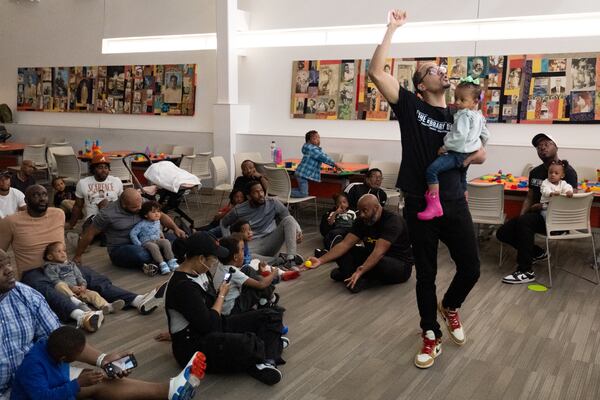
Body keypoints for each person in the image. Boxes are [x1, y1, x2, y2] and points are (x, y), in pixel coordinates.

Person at [368, 9, 485, 368]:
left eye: (440, 68)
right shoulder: (410, 106)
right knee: (426, 275)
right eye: (432, 70)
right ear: (420, 85)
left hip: (455, 202)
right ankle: (430, 333)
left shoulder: (461, 115)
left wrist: (472, 157)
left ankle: (450, 306)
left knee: (471, 268)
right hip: (421, 204)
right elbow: (376, 72)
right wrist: (391, 29)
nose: (441, 71)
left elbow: (481, 151)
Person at [0, 252, 207, 400]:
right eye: (0, 267)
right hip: (27, 385)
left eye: (8, 263)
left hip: (40, 373)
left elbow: (59, 338)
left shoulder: (25, 295)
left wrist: (103, 359)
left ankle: (170, 391)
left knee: (98, 378)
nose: (9, 270)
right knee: (84, 383)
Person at [0, 185, 161, 332]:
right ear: (26, 200)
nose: (41, 198)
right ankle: (81, 315)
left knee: (95, 279)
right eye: (35, 195)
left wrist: (77, 255)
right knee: (49, 290)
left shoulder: (58, 214)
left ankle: (137, 300)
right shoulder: (11, 222)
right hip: (33, 271)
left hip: (63, 264)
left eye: (44, 194)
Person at [164, 232, 287, 385]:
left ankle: (266, 357)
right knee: (249, 342)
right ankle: (269, 348)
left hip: (216, 325)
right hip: (193, 347)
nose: (215, 262)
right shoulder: (183, 287)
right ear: (201, 259)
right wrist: (222, 295)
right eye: (213, 259)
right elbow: (209, 325)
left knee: (271, 315)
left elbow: (210, 313)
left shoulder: (201, 272)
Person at [497, 134, 578, 284]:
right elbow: (529, 197)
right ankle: (538, 253)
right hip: (536, 216)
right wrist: (521, 216)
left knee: (525, 222)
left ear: (556, 147)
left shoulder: (567, 172)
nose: (542, 147)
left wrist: (542, 206)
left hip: (556, 219)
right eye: (539, 146)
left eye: (547, 144)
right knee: (502, 232)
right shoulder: (535, 172)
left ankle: (525, 271)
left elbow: (571, 201)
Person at [307, 194, 413, 293]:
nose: (361, 214)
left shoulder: (393, 221)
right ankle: (351, 276)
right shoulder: (362, 220)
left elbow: (378, 252)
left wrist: (360, 271)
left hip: (399, 265)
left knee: (379, 261)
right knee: (342, 249)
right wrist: (320, 260)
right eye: (360, 211)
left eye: (365, 211)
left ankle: (357, 276)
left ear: (376, 208)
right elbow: (345, 244)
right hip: (372, 256)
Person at [418, 78, 490, 220]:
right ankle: (464, 200)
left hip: (457, 153)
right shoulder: (479, 116)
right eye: (456, 98)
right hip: (468, 154)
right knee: (463, 177)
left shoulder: (464, 115)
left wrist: (445, 147)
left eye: (462, 100)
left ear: (475, 101)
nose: (457, 102)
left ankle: (434, 205)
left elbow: (459, 136)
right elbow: (486, 135)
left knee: (432, 171)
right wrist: (476, 146)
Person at [74, 188, 187, 272]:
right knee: (141, 254)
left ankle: (159, 261)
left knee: (176, 239)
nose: (139, 209)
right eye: (134, 207)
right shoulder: (107, 214)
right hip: (121, 248)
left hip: (147, 239)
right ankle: (165, 259)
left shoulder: (142, 202)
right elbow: (89, 233)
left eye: (140, 205)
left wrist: (175, 228)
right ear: (123, 204)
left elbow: (160, 215)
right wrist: (78, 255)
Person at [221, 181, 304, 269]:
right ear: (249, 196)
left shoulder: (273, 203)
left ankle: (291, 259)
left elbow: (288, 217)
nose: (261, 194)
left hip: (271, 240)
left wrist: (298, 231)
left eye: (261, 191)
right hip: (253, 245)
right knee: (244, 257)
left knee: (289, 219)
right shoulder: (238, 210)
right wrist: (229, 242)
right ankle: (280, 260)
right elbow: (223, 223)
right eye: (256, 192)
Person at [43, 241, 125, 315]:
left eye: (64, 251)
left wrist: (83, 285)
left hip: (80, 290)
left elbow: (79, 276)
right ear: (50, 257)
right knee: (59, 285)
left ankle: (106, 306)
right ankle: (77, 302)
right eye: (59, 251)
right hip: (67, 293)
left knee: (94, 294)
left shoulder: (71, 264)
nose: (63, 253)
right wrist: (71, 287)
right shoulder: (50, 267)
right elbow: (54, 280)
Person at [212, 236, 279, 316]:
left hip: (226, 304)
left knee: (247, 269)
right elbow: (261, 285)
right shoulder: (232, 271)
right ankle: (271, 298)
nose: (244, 252)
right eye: (242, 250)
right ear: (235, 257)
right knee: (258, 288)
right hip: (233, 309)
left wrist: (259, 271)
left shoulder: (222, 266)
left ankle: (264, 300)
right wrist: (273, 274)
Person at [68, 154, 123, 234]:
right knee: (88, 234)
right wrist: (71, 224)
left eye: (106, 167)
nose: (104, 170)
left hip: (113, 219)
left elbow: (123, 202)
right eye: (100, 167)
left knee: (106, 203)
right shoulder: (83, 183)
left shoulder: (116, 181)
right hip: (92, 220)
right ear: (93, 169)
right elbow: (77, 206)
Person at [229, 219, 299, 282]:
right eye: (244, 231)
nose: (249, 232)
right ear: (236, 234)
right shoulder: (237, 245)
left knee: (258, 262)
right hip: (244, 267)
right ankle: (279, 270)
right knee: (257, 264)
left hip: (249, 263)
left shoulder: (245, 243)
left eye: (250, 230)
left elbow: (247, 257)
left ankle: (283, 272)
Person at [130, 201, 179, 275]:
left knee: (166, 241)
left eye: (158, 211)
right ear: (146, 215)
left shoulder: (157, 221)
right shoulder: (142, 224)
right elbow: (133, 233)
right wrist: (138, 244)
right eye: (153, 212)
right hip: (147, 242)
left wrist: (162, 236)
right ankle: (161, 263)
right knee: (153, 246)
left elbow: (158, 229)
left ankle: (171, 260)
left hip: (157, 239)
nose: (157, 214)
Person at [291, 130, 343, 198]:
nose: (318, 140)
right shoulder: (311, 149)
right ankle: (284, 192)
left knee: (302, 191)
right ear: (309, 141)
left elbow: (321, 156)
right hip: (302, 175)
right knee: (303, 193)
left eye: (319, 138)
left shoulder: (310, 149)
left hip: (302, 174)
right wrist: (334, 164)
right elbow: (323, 157)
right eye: (315, 138)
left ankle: (286, 191)